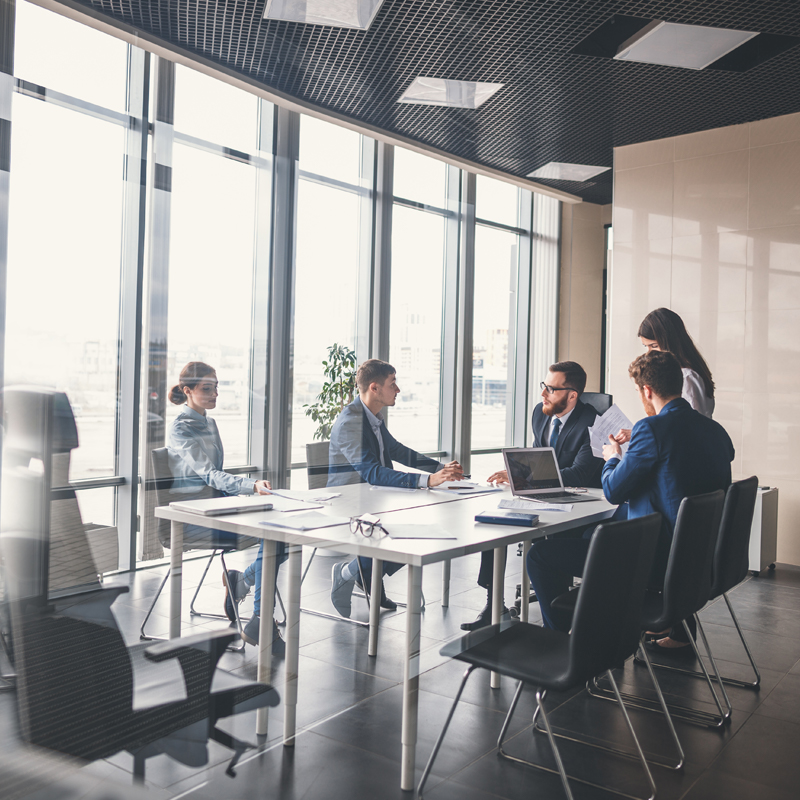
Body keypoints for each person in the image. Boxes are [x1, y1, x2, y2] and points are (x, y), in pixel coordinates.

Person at [526, 350, 734, 648]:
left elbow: (612, 491)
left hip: (651, 559)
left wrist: (612, 458)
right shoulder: (715, 430)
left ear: (646, 391)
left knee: (540, 556)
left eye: (639, 392)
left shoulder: (650, 429)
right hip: (698, 559)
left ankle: (560, 645)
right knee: (589, 533)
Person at [461, 361, 604, 631]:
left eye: (551, 389)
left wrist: (526, 477)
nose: (543, 394)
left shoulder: (592, 423)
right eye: (544, 386)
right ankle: (495, 606)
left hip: (580, 504)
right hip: (542, 494)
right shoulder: (541, 413)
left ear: (572, 395)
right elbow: (540, 458)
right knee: (496, 523)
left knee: (548, 549)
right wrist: (517, 473)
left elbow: (579, 474)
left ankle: (559, 622)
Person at [328, 359, 464, 617]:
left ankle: (364, 574)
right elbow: (372, 472)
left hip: (374, 499)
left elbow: (397, 451)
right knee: (407, 533)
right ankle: (350, 572)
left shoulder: (373, 418)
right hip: (349, 503)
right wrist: (426, 481)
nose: (398, 389)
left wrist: (440, 469)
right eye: (393, 384)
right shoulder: (350, 422)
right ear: (374, 388)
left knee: (416, 530)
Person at [167, 361, 286, 655]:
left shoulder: (209, 422)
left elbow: (215, 476)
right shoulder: (181, 428)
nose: (215, 393)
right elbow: (208, 473)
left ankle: (242, 585)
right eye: (207, 388)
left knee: (281, 533)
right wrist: (250, 486)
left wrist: (246, 493)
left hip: (217, 507)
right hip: (193, 516)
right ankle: (260, 618)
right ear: (188, 391)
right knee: (272, 537)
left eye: (216, 387)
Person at [614, 309, 715, 447]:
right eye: (646, 347)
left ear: (670, 341)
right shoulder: (683, 373)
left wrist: (642, 433)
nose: (649, 353)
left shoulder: (687, 376)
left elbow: (689, 428)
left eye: (654, 346)